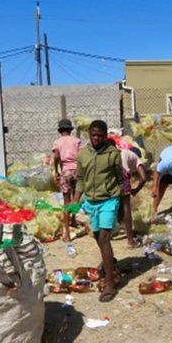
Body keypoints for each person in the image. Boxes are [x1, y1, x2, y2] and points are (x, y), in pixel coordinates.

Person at [72, 120, 123, 303]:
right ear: (89, 135)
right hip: (91, 201)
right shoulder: (83, 154)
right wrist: (75, 201)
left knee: (104, 237)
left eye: (100, 135)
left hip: (109, 200)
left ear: (105, 135)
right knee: (97, 236)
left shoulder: (113, 154)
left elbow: (120, 178)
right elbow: (80, 179)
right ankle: (110, 264)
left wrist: (121, 204)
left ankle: (110, 284)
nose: (96, 138)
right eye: (93, 135)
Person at [52, 119, 82, 242]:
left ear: (60, 131)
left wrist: (57, 170)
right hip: (77, 171)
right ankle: (73, 219)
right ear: (70, 130)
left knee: (66, 201)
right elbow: (81, 156)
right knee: (76, 197)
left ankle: (67, 234)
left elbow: (56, 157)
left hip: (65, 171)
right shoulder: (77, 141)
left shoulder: (57, 142)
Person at [120, 146, 147, 248]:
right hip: (122, 175)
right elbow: (144, 178)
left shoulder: (120, 152)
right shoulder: (136, 157)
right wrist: (136, 190)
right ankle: (130, 240)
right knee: (126, 207)